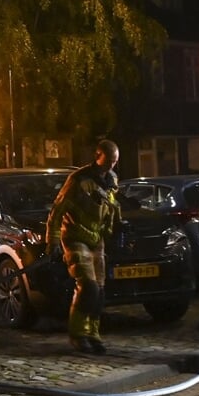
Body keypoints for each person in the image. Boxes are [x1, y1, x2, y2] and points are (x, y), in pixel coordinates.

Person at [45, 139, 123, 354]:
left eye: (115, 161)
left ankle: (93, 334)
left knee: (99, 291)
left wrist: (117, 227)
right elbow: (57, 211)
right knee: (88, 287)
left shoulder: (112, 180)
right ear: (97, 156)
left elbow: (110, 207)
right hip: (75, 237)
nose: (112, 165)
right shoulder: (78, 180)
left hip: (97, 240)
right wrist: (52, 242)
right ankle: (79, 334)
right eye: (109, 160)